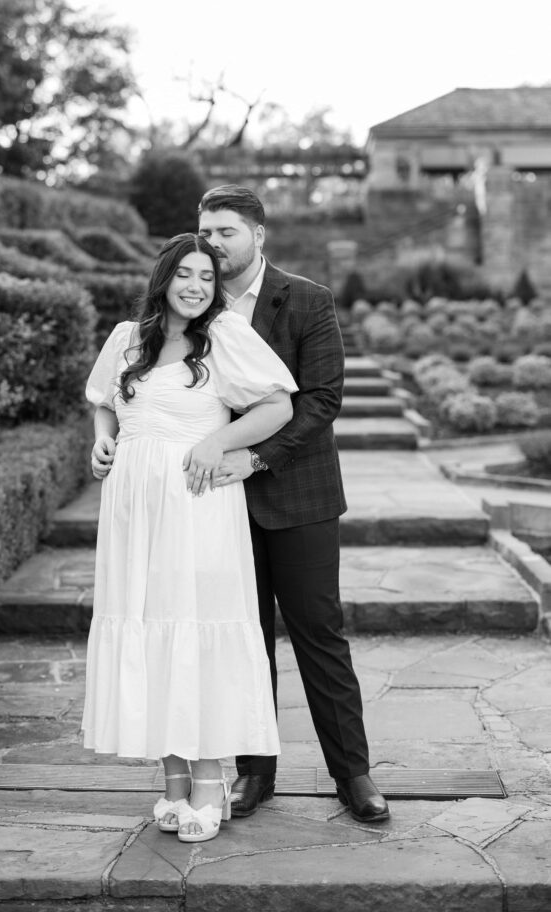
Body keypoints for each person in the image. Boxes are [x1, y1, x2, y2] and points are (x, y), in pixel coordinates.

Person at [83, 233, 297, 843]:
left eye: (207, 275)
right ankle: (173, 781)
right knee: (151, 628)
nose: (197, 286)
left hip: (197, 505)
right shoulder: (128, 337)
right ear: (165, 277)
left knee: (196, 625)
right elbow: (105, 404)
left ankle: (209, 782)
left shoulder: (225, 336)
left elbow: (278, 407)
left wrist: (216, 441)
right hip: (133, 512)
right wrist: (101, 440)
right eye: (186, 274)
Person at [197, 184, 390, 824]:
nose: (215, 244)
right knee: (244, 640)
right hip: (217, 505)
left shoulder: (308, 298)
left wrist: (256, 458)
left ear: (258, 234)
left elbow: (323, 399)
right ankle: (255, 774)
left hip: (300, 495)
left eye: (227, 232)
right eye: (207, 232)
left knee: (320, 637)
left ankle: (353, 776)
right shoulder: (190, 301)